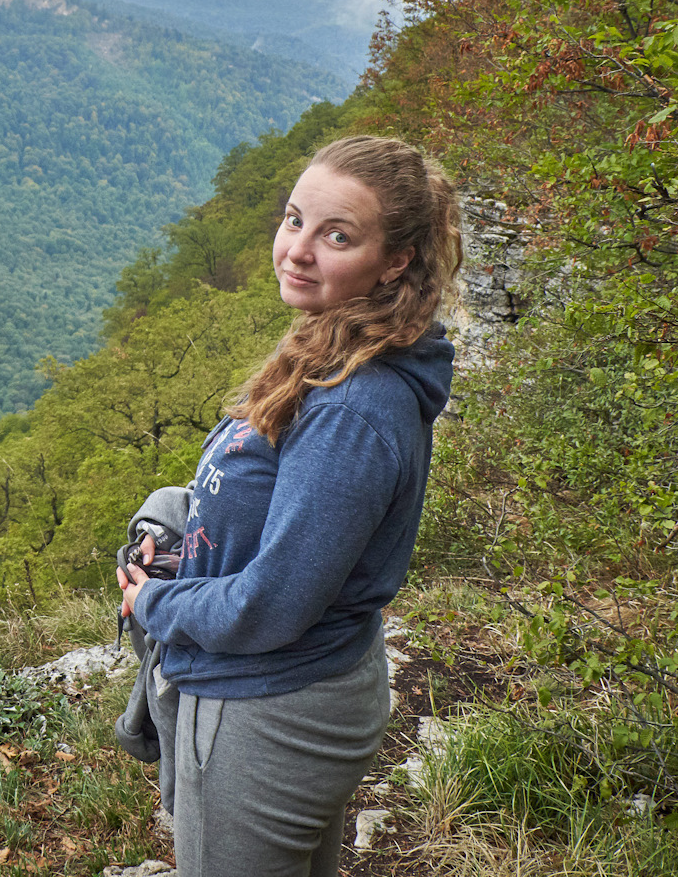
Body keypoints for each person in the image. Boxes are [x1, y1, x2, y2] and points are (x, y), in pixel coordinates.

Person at [116, 135, 461, 877]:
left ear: (394, 260)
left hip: (267, 710)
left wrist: (156, 605)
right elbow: (271, 499)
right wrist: (175, 526)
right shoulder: (334, 343)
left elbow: (272, 605)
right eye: (293, 219)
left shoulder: (353, 406)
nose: (297, 249)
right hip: (301, 688)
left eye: (337, 235)